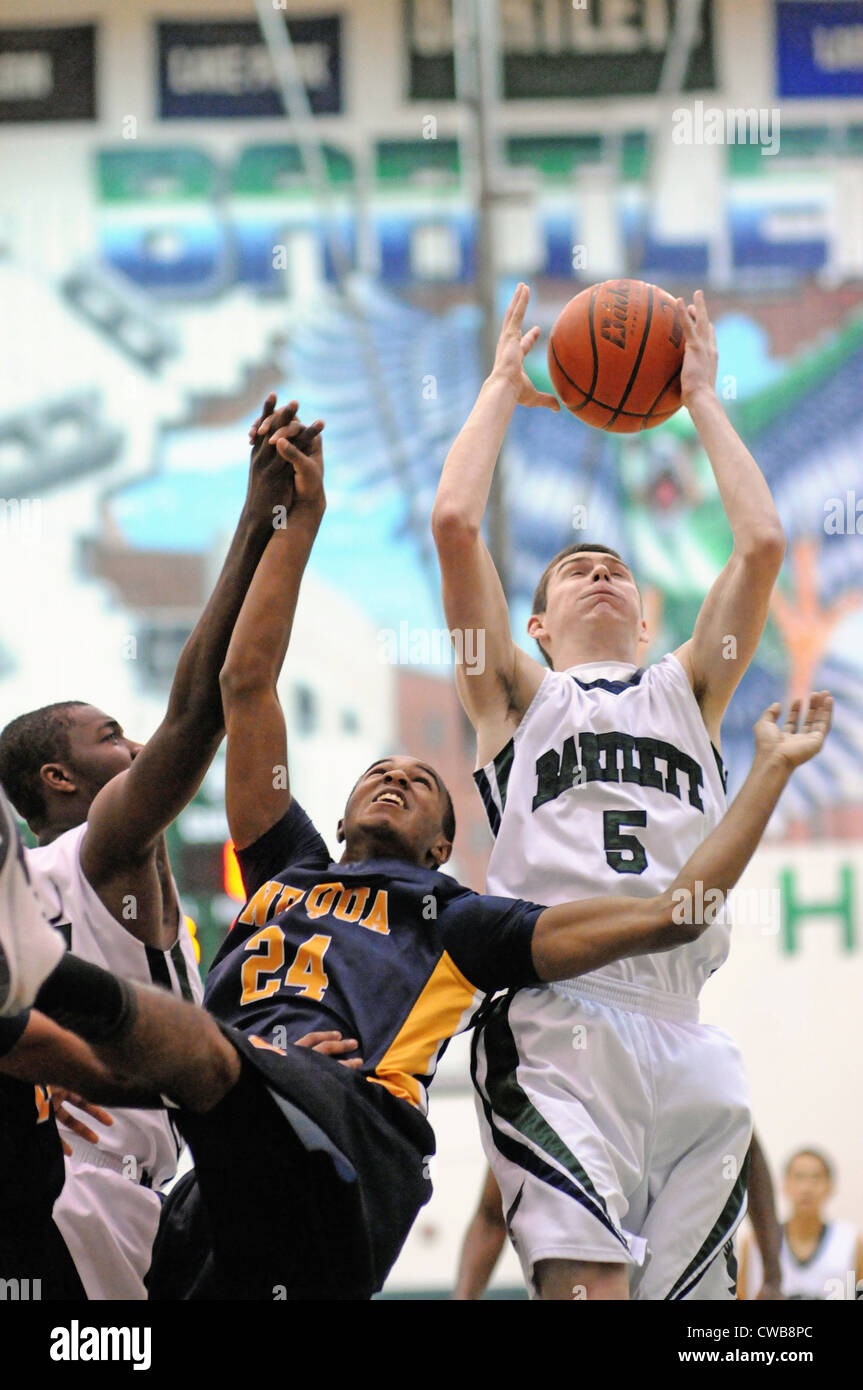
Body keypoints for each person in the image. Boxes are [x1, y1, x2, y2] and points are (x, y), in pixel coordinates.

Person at [0, 407, 831, 1301]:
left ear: (444, 843)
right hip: (222, 1149)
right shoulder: (289, 868)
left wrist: (769, 777)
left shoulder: (454, 918)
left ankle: (36, 978)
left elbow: (662, 919)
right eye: (377, 771)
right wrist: (292, 523)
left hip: (351, 1136)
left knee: (212, 1055)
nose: (394, 776)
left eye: (419, 781)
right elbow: (245, 686)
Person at [432, 282, 788, 1299]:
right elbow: (456, 522)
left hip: (685, 1028)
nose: (596, 572)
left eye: (614, 570)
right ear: (533, 626)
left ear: (645, 619)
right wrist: (502, 383)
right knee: (588, 1291)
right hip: (561, 1014)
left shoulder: (691, 688)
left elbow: (759, 544)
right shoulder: (510, 698)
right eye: (572, 571)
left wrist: (701, 396)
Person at [0, 393, 310, 1298]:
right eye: (110, 736)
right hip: (80, 1201)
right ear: (61, 781)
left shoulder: (63, 882)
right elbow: (200, 711)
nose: (134, 748)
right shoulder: (96, 854)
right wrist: (261, 521)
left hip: (131, 1200)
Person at [454, 1132, 784, 1300]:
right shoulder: (543, 1102)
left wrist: (772, 1276)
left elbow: (747, 1147)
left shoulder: (677, 1059)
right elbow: (490, 1217)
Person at [739, 1148, 863, 1300]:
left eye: (815, 1178)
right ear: (784, 1185)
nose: (806, 1188)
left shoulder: (851, 1241)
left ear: (830, 1186)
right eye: (799, 1177)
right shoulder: (755, 1242)